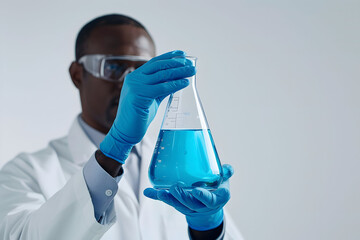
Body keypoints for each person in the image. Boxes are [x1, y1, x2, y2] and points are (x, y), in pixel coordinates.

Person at [0, 14, 243, 240]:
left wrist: (209, 227)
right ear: (77, 74)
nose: (127, 83)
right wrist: (115, 149)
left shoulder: (179, 168)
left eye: (140, 70)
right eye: (114, 67)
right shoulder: (26, 173)